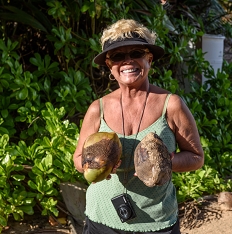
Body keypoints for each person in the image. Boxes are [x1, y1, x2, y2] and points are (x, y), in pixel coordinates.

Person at [73, 19, 204, 234]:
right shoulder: (98, 109)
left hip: (156, 222)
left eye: (136, 53)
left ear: (149, 59)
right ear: (109, 65)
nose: (128, 61)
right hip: (101, 218)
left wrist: (164, 162)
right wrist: (97, 165)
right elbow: (78, 159)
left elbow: (196, 157)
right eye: (117, 56)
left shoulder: (171, 105)